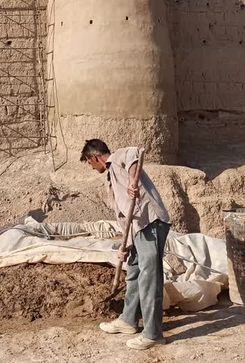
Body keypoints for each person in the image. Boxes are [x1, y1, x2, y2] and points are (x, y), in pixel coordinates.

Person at [80, 139, 171, 350]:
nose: (89, 166)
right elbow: (125, 217)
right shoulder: (111, 176)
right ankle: (129, 320)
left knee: (150, 278)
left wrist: (132, 181)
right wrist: (126, 245)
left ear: (95, 157)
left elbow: (135, 153)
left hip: (150, 223)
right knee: (134, 272)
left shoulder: (118, 157)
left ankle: (153, 334)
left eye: (88, 162)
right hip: (137, 229)